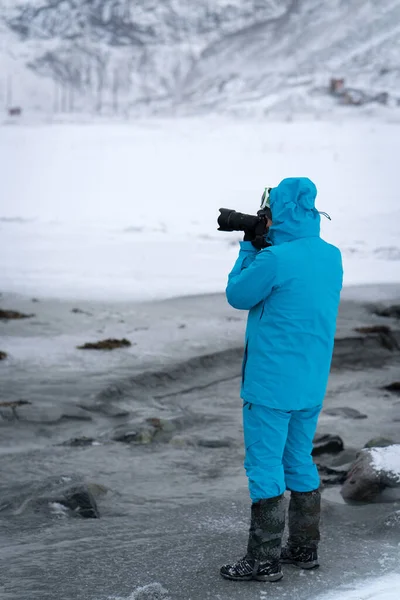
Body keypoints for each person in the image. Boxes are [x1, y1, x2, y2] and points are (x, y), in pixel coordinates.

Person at [220, 177, 343, 583]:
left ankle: (262, 560)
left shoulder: (275, 259)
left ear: (278, 213)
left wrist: (249, 245)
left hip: (270, 384)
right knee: (297, 459)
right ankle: (304, 548)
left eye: (268, 211)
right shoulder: (331, 255)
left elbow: (238, 295)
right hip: (311, 381)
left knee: (264, 464)